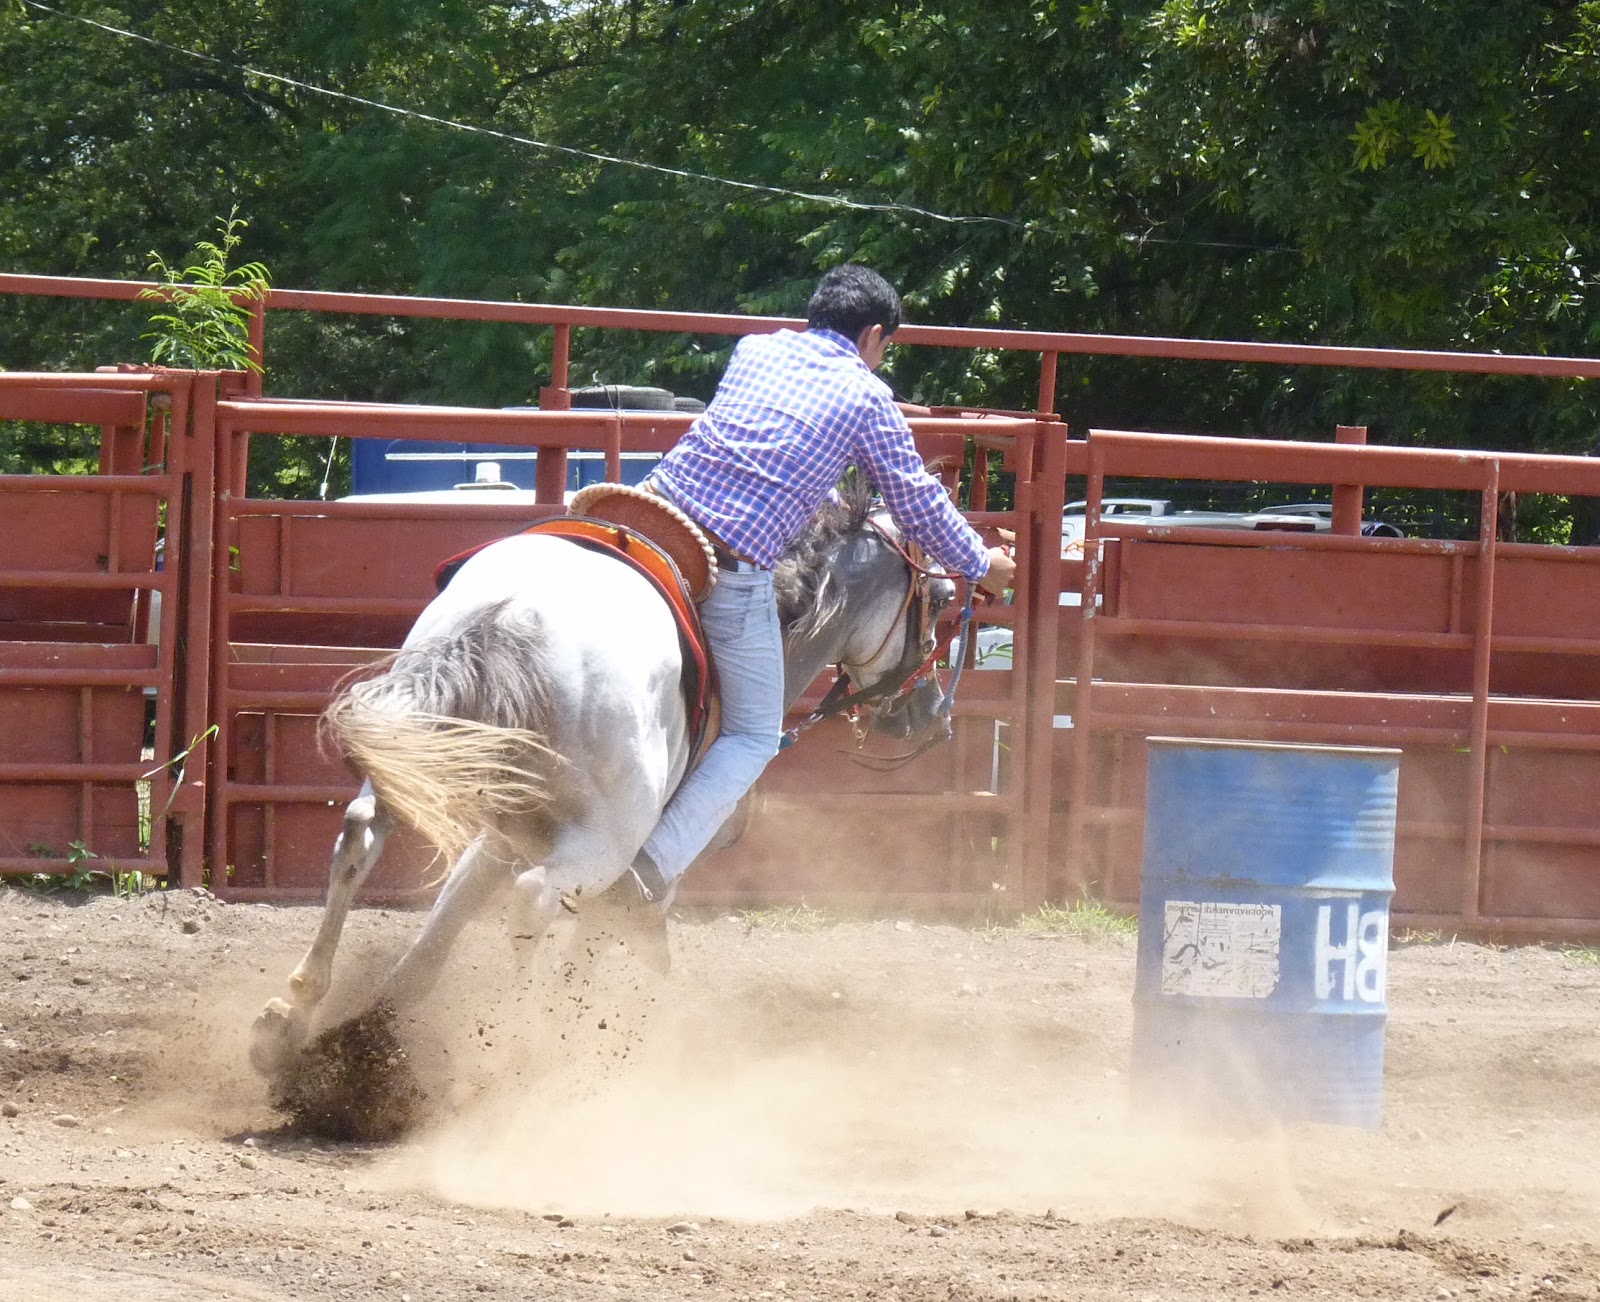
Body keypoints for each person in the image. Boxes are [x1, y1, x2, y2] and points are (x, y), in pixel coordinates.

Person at [630, 263, 1016, 906]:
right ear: (872, 336)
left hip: (651, 523)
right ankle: (648, 873)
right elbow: (916, 501)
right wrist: (980, 564)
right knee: (753, 734)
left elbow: (774, 447)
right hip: (728, 563)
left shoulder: (756, 349)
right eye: (886, 347)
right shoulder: (867, 398)